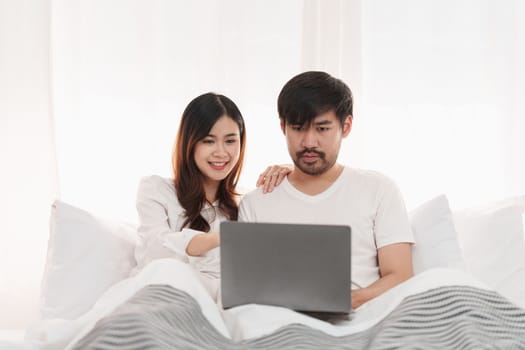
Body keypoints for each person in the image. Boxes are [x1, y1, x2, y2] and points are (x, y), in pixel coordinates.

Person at [239, 71, 415, 309]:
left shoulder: (379, 189)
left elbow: (400, 276)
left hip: (363, 319)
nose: (309, 142)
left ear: (346, 126)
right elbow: (246, 289)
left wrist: (343, 301)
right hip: (282, 324)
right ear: (283, 127)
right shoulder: (256, 202)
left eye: (322, 129)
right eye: (298, 128)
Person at [134, 92, 290, 301]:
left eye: (230, 141)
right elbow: (155, 253)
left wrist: (294, 174)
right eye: (208, 141)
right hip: (161, 299)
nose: (221, 152)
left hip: (219, 311)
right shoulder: (157, 189)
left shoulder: (246, 202)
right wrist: (223, 237)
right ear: (189, 143)